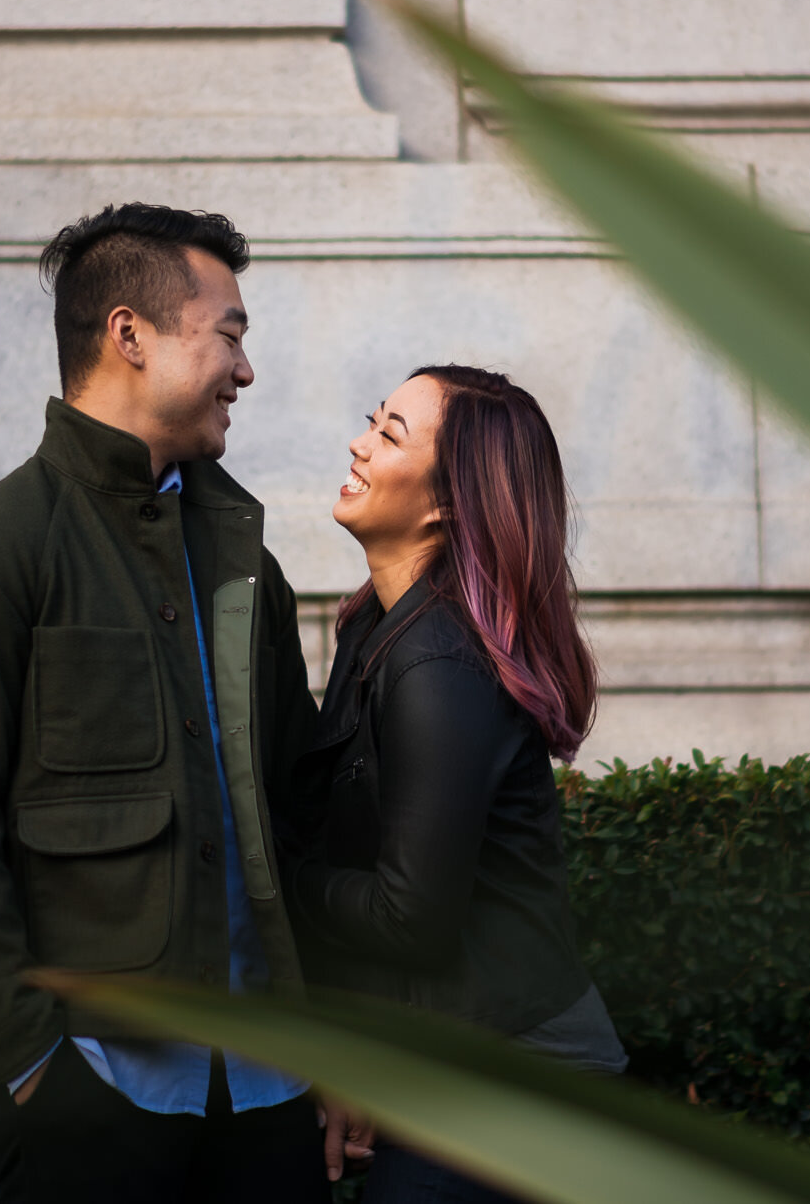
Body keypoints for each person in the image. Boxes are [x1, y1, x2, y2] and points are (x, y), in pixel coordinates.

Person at [0, 203, 330, 1203]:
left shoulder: (243, 563)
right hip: (88, 1091)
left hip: (266, 1090)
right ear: (130, 333)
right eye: (230, 333)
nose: (245, 369)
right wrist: (28, 1060)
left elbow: (295, 809)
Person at [288, 364, 627, 1202]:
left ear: (444, 505)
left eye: (390, 434)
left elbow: (411, 917)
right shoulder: (375, 624)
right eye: (372, 420)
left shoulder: (437, 661)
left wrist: (271, 881)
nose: (359, 445)